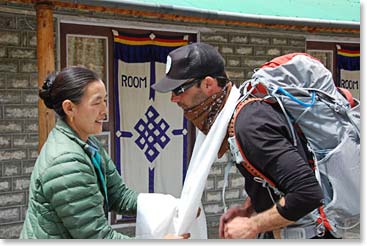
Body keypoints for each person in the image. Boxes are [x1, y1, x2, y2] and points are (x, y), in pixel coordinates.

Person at [152, 43, 332, 239]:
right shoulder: (236, 116)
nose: (173, 99)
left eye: (178, 89)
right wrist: (249, 208)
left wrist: (252, 224)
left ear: (208, 84)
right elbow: (273, 177)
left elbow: (307, 193)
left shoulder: (249, 125)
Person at [20, 66, 189, 239]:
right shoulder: (66, 162)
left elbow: (120, 196)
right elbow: (97, 237)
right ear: (69, 108)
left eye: (105, 101)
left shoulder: (88, 142)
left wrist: (174, 207)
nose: (105, 110)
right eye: (96, 102)